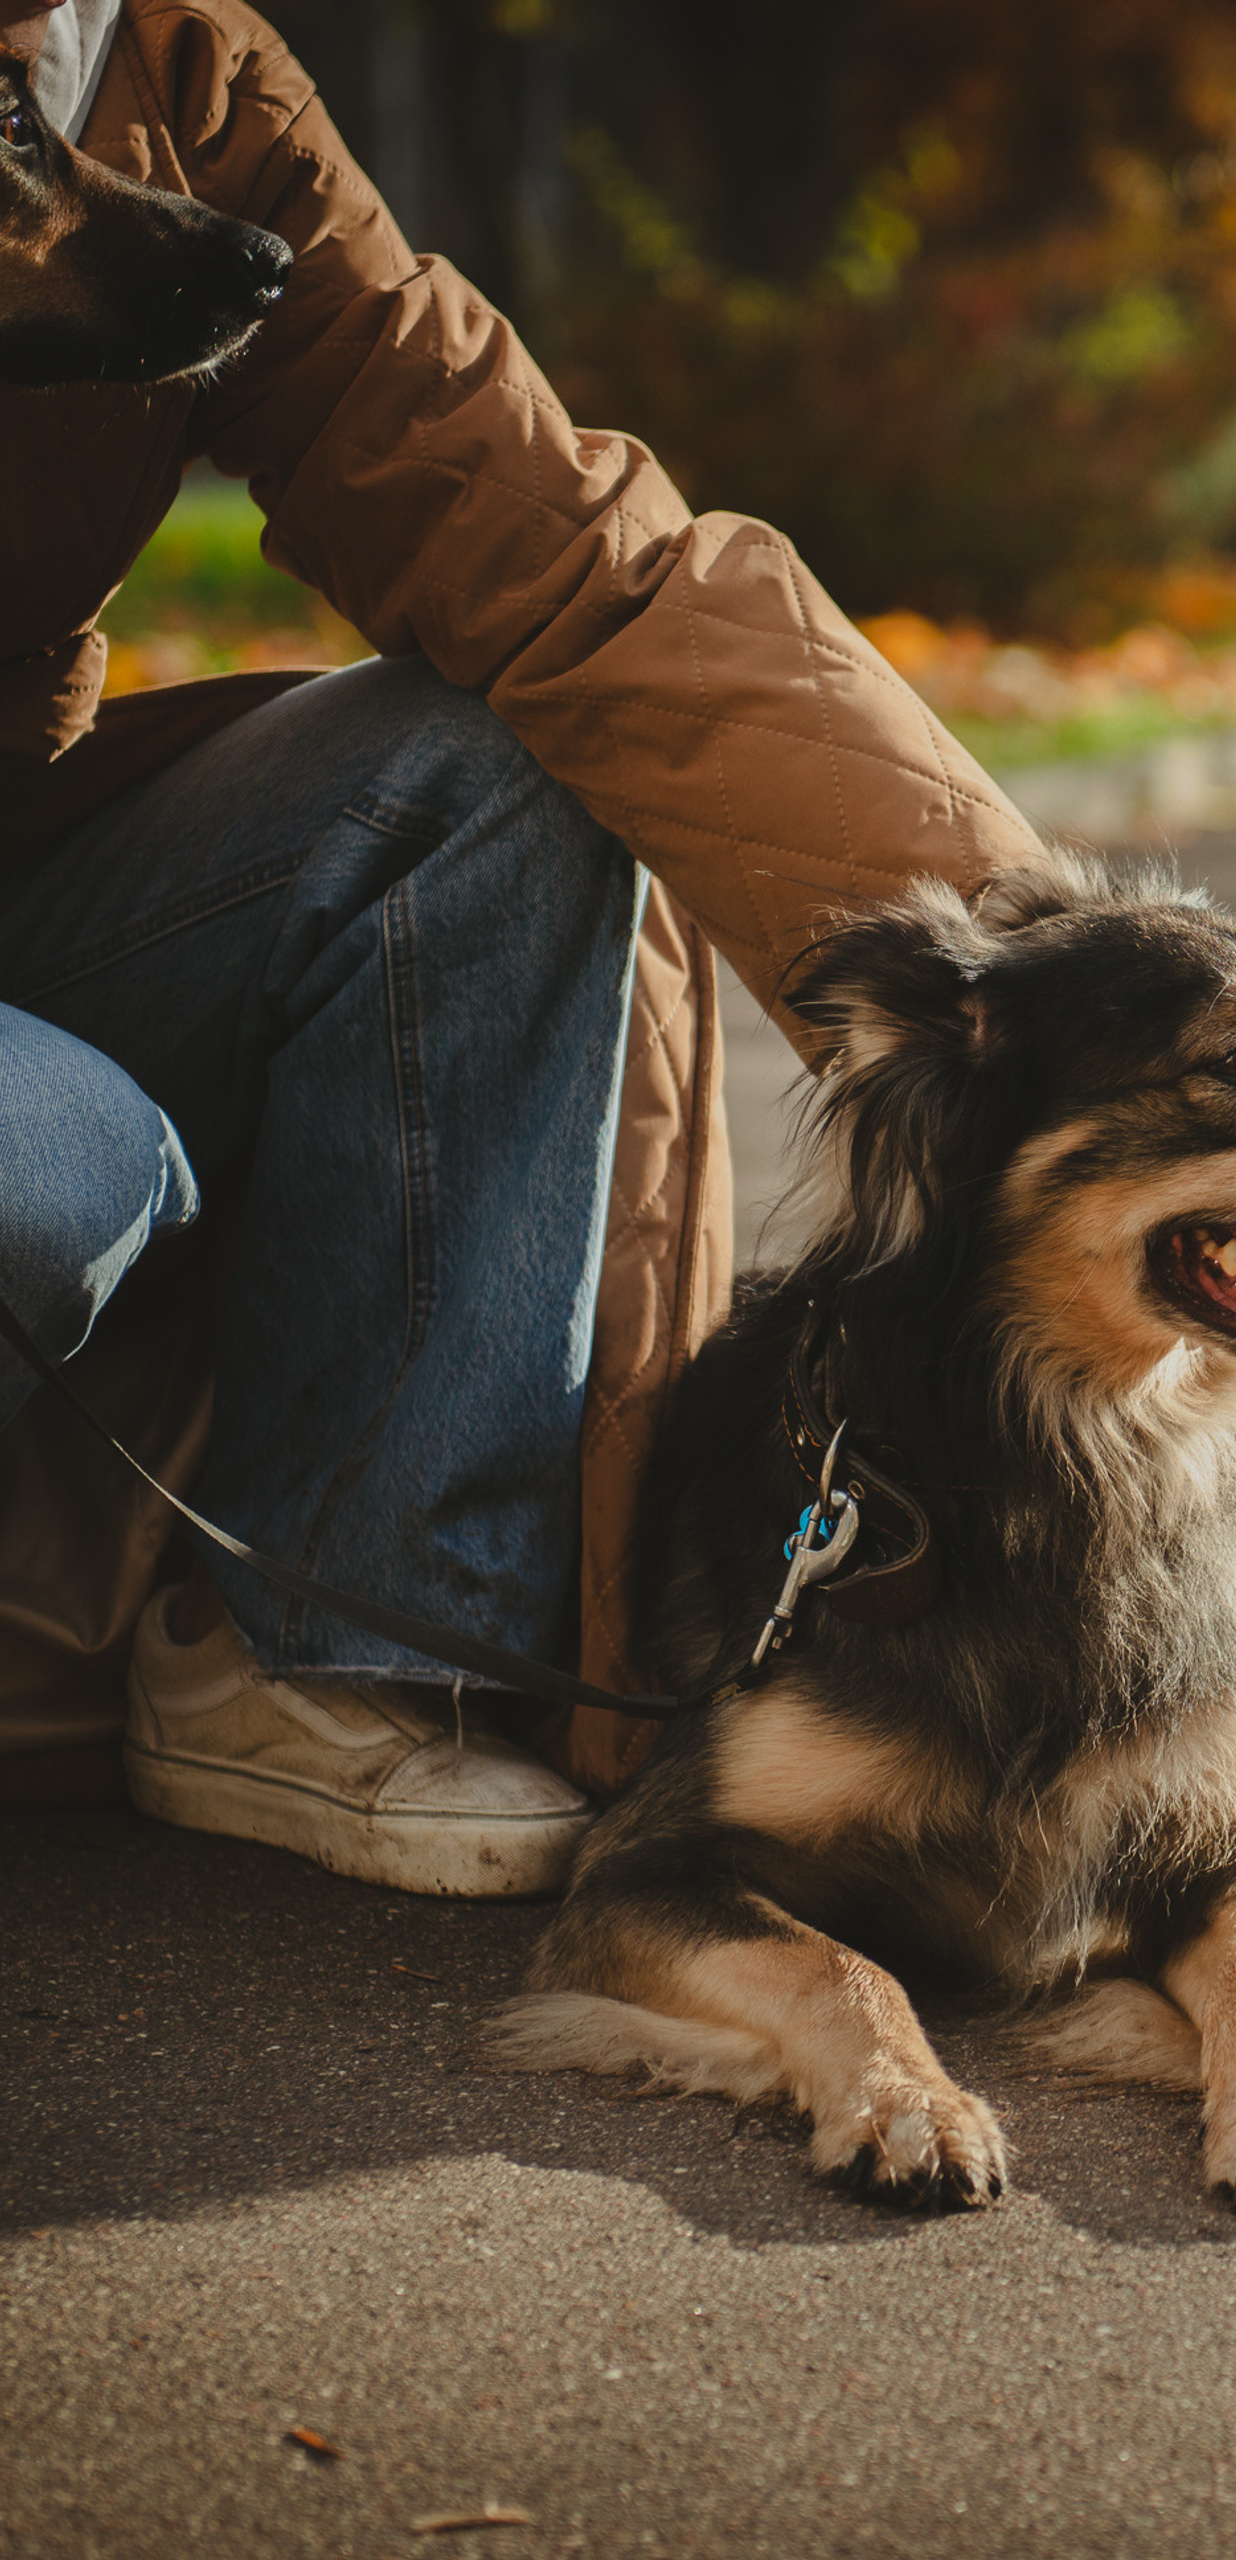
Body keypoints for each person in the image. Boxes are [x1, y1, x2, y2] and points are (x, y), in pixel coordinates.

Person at [0, 0, 1044, 1892]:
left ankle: (324, 1642)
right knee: (38, 1162)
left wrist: (1033, 989)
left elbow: (562, 557)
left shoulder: (179, 73)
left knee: (495, 762)